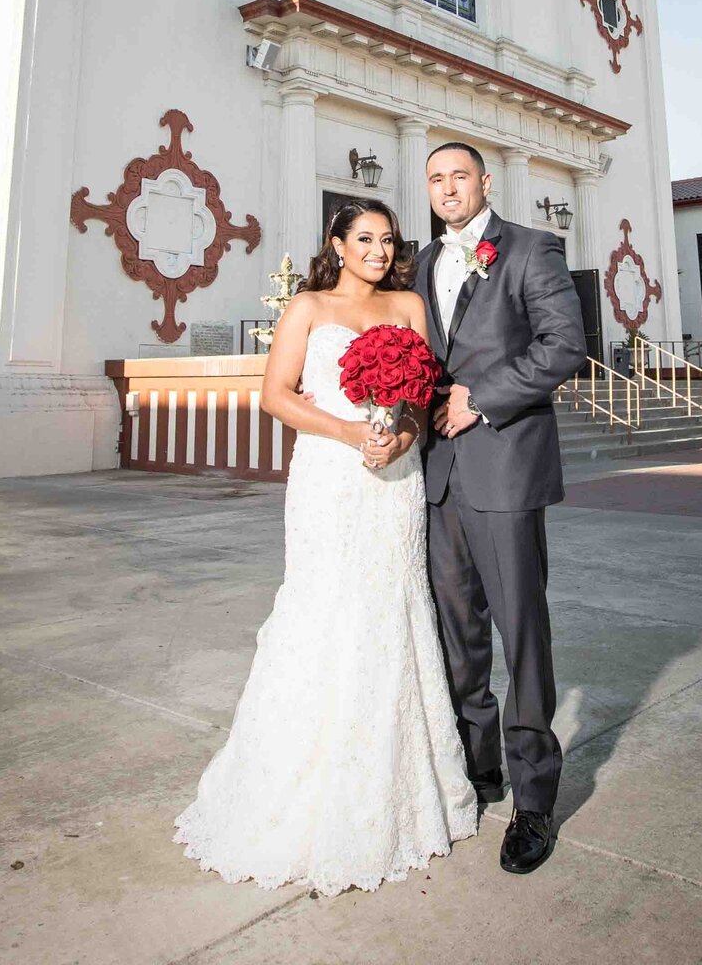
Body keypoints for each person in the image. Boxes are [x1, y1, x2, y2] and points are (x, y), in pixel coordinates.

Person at [174, 200, 477, 895]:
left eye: (387, 239)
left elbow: (420, 400)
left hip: (393, 477)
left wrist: (398, 440)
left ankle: (396, 791)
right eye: (363, 238)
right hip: (326, 477)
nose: (377, 249)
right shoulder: (307, 308)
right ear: (337, 244)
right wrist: (346, 435)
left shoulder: (407, 306)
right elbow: (275, 395)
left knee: (390, 611)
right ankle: (292, 793)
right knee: (321, 607)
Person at [415, 143, 587, 876]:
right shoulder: (422, 263)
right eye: (435, 179)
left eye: (459, 175)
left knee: (521, 634)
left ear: (485, 182)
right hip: (440, 475)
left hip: (507, 468)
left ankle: (535, 798)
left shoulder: (530, 249)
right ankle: (479, 770)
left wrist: (480, 399)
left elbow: (564, 347)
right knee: (457, 633)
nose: (447, 188)